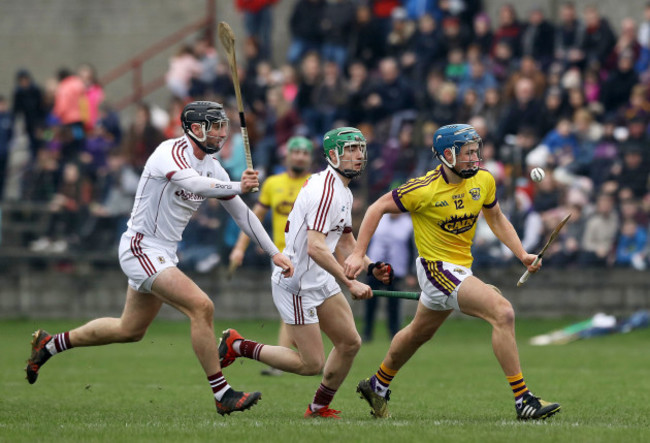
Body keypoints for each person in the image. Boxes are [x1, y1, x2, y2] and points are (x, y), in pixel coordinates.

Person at [25, 101, 294, 417]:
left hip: (162, 254)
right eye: (216, 125)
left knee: (129, 330)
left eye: (224, 125)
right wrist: (237, 184)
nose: (223, 131)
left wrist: (274, 252)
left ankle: (49, 344)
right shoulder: (169, 152)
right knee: (202, 306)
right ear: (195, 129)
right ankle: (222, 394)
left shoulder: (212, 165)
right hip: (141, 248)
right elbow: (193, 184)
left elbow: (242, 215)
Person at [344, 124, 561, 421]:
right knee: (503, 312)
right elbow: (376, 207)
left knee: (417, 334)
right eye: (468, 153)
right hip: (435, 268)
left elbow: (495, 217)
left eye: (476, 151)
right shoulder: (423, 189)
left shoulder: (483, 181)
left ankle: (377, 385)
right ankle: (523, 399)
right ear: (447, 155)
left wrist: (522, 254)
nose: (475, 158)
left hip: (459, 269)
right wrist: (358, 254)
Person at [218, 127, 393, 418]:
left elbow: (345, 240)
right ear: (333, 154)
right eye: (350, 149)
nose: (359, 155)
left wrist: (371, 265)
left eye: (360, 148)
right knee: (311, 364)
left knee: (350, 342)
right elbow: (316, 248)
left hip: (320, 278)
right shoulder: (326, 191)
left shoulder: (342, 189)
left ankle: (318, 407)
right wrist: (350, 283)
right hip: (296, 283)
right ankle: (238, 345)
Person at [228, 135, 314, 376]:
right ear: (287, 155)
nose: (299, 156)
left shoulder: (315, 183)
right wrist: (239, 248)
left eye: (304, 152)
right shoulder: (272, 183)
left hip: (312, 256)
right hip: (281, 256)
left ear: (310, 158)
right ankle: (286, 361)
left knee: (306, 308)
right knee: (292, 309)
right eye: (295, 151)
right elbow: (252, 218)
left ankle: (305, 357)